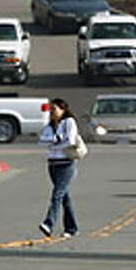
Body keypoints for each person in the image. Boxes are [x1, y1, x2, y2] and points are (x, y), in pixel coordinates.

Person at [38, 97, 78, 238]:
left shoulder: (69, 122)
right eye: (51, 110)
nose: (52, 112)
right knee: (64, 197)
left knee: (57, 195)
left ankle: (49, 223)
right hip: (53, 164)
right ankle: (71, 228)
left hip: (66, 164)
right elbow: (41, 141)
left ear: (63, 109)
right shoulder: (49, 126)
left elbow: (70, 141)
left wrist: (54, 143)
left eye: (54, 109)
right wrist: (56, 140)